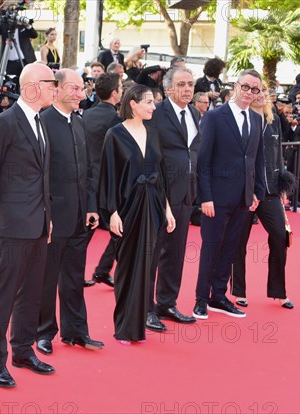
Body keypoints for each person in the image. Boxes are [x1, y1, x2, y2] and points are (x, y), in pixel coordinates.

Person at [0, 63, 56, 388]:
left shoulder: (41, 122)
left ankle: (23, 351)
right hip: (10, 227)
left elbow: (42, 177)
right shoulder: (5, 123)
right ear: (31, 86)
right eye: (50, 82)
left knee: (32, 294)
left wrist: (48, 218)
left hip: (38, 224)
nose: (55, 87)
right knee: (4, 295)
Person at [98, 84, 175, 344]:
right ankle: (123, 328)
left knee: (146, 267)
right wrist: (113, 213)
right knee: (127, 267)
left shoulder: (153, 133)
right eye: (149, 102)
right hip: (127, 208)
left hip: (152, 206)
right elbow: (108, 176)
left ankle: (138, 326)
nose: (154, 107)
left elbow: (161, 175)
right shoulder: (115, 134)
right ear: (133, 103)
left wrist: (168, 209)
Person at [36, 69, 104, 356]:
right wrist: (46, 215)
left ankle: (76, 331)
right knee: (47, 277)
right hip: (53, 217)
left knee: (75, 276)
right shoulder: (43, 122)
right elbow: (40, 174)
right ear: (58, 89)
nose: (81, 94)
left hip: (79, 215)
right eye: (74, 88)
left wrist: (90, 206)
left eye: (82, 88)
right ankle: (43, 333)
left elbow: (87, 170)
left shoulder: (79, 123)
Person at [193, 69, 265, 320]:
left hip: (243, 198)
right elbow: (203, 161)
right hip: (216, 198)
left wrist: (257, 192)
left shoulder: (257, 120)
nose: (249, 93)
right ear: (235, 86)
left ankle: (219, 295)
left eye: (255, 89)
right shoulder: (215, 117)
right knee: (211, 247)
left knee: (231, 248)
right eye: (246, 87)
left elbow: (257, 159)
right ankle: (201, 298)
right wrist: (205, 197)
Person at [145, 67, 201, 331]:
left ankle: (166, 302)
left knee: (176, 252)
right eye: (181, 84)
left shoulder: (193, 113)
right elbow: (148, 155)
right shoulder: (156, 113)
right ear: (167, 88)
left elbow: (193, 151)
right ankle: (145, 309)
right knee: (153, 253)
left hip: (186, 193)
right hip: (160, 195)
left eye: (190, 84)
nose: (187, 89)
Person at [231, 85, 295, 309]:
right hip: (243, 192)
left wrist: (282, 188)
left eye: (265, 91)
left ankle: (278, 291)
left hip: (270, 190)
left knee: (280, 236)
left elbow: (278, 155)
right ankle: (238, 290)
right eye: (257, 90)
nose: (261, 95)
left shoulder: (273, 119)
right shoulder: (239, 119)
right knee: (238, 242)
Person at [83, 73, 123, 288]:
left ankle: (97, 270)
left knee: (87, 232)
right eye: (120, 87)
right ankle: (101, 269)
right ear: (115, 93)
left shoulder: (86, 114)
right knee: (119, 229)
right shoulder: (116, 119)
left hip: (88, 180)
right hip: (107, 182)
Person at [0, 6, 38, 86]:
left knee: (26, 83)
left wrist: (27, 25)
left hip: (24, 60)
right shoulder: (5, 25)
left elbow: (34, 35)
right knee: (12, 84)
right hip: (10, 62)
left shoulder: (22, 25)